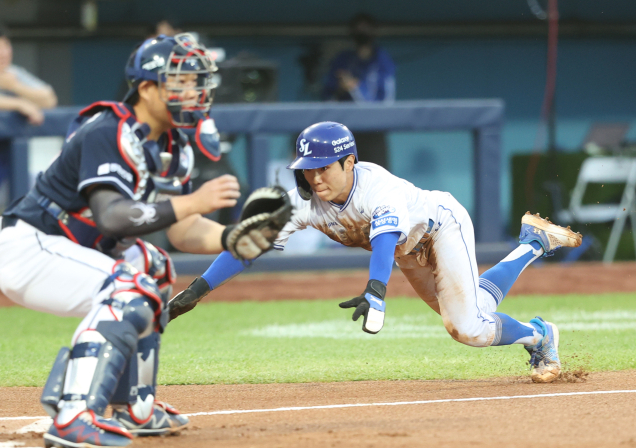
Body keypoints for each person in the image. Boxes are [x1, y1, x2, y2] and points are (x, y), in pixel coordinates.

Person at [0, 33, 287, 448]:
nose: (193, 92)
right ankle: (74, 415)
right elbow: (112, 217)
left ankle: (134, 406)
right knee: (129, 290)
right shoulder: (109, 129)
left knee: (153, 267)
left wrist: (231, 236)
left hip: (74, 248)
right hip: (32, 245)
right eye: (181, 82)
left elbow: (181, 232)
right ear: (148, 88)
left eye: (195, 83)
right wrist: (194, 200)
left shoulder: (175, 144)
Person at [168, 121, 584, 384]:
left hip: (440, 226)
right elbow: (248, 248)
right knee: (473, 308)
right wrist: (197, 289)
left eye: (324, 167)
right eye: (307, 169)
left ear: (349, 162)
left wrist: (375, 289)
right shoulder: (300, 202)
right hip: (409, 251)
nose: (314, 177)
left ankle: (539, 336)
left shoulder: (375, 187)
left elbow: (384, 240)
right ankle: (534, 242)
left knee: (467, 329)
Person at [321, 13, 395, 169]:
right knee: (344, 180)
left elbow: (386, 103)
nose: (361, 33)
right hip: (344, 132)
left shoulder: (382, 60)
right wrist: (341, 88)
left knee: (377, 179)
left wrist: (355, 88)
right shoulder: (343, 59)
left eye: (366, 29)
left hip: (373, 130)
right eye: (358, 29)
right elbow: (327, 98)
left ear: (374, 32)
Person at [0, 23, 58, 125]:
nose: (3, 53)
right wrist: (19, 104)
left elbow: (49, 100)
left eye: (5, 46)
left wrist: (14, 86)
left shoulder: (13, 72)